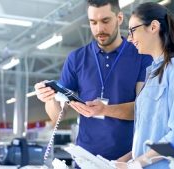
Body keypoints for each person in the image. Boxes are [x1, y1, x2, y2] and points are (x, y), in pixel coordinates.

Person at [34, 0, 152, 162]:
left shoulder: (141, 55)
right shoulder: (76, 59)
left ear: (119, 18)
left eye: (105, 21)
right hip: (85, 158)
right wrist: (49, 98)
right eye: (93, 22)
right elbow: (57, 116)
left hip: (127, 160)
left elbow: (143, 111)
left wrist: (104, 110)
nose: (99, 29)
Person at [116, 2, 174, 169]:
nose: (129, 38)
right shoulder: (152, 73)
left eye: (133, 30)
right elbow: (149, 138)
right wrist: (122, 161)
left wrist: (136, 164)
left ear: (153, 26)